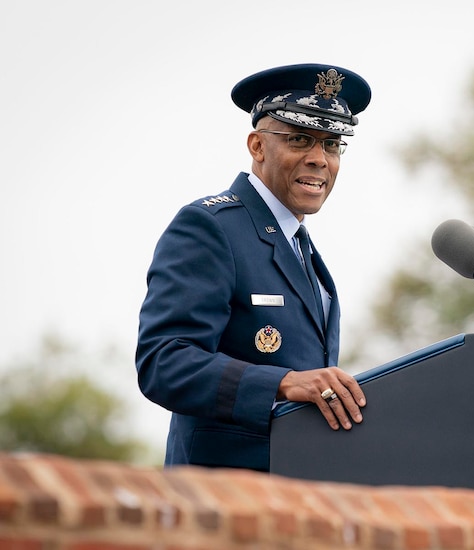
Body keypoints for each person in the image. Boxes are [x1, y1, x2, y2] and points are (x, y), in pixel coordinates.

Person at [136, 63, 370, 471]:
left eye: (332, 145)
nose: (320, 159)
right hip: (220, 504)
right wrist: (283, 381)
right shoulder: (210, 227)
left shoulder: (302, 250)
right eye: (300, 139)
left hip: (298, 498)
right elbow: (163, 362)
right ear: (258, 147)